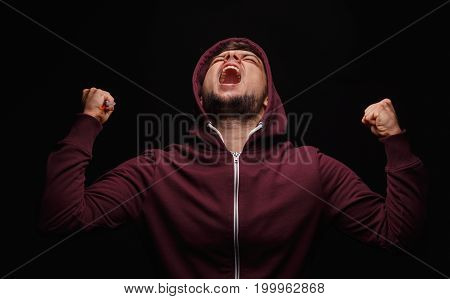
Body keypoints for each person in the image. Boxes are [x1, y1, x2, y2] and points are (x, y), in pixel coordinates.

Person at [40, 37, 427, 278]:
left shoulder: (313, 169)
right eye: (221, 58)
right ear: (203, 96)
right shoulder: (155, 168)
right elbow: (64, 218)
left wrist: (394, 140)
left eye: (248, 59)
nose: (233, 59)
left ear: (266, 99)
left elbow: (396, 233)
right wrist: (88, 123)